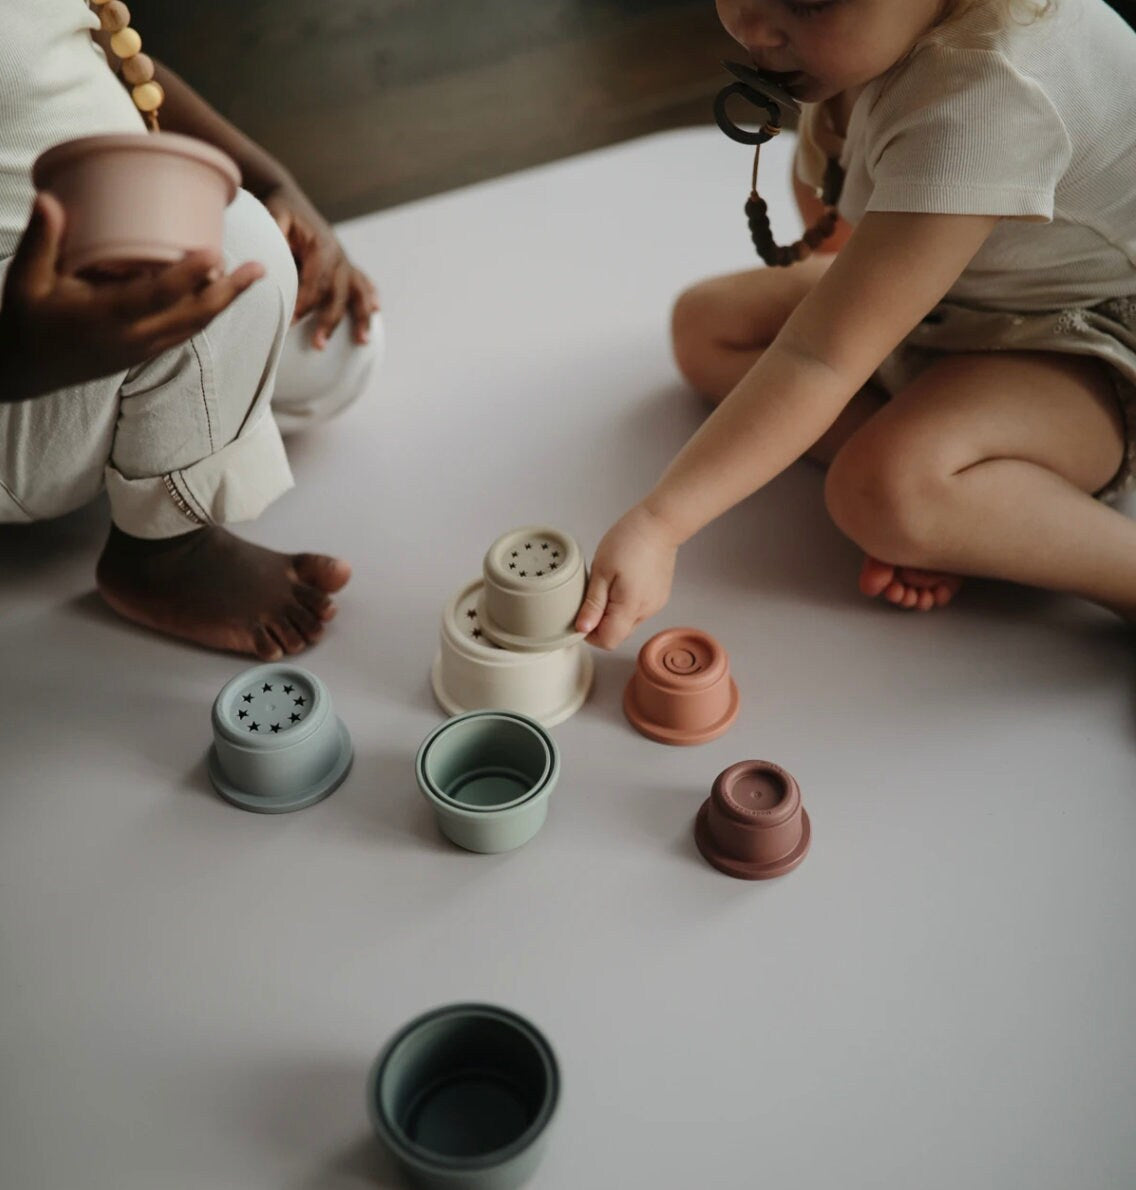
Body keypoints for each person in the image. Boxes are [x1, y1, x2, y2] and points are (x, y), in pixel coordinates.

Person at [576, 0, 1136, 648]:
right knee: (706, 329)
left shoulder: (990, 94)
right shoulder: (870, 38)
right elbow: (843, 239)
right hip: (953, 299)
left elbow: (821, 359)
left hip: (1081, 344)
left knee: (879, 488)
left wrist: (660, 520)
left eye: (809, 2)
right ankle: (957, 502)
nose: (751, 26)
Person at [0, 0, 380, 660]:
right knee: (235, 255)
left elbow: (99, 54)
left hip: (94, 256)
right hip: (22, 364)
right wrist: (27, 357)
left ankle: (155, 428)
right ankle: (164, 553)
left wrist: (273, 181)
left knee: (338, 350)